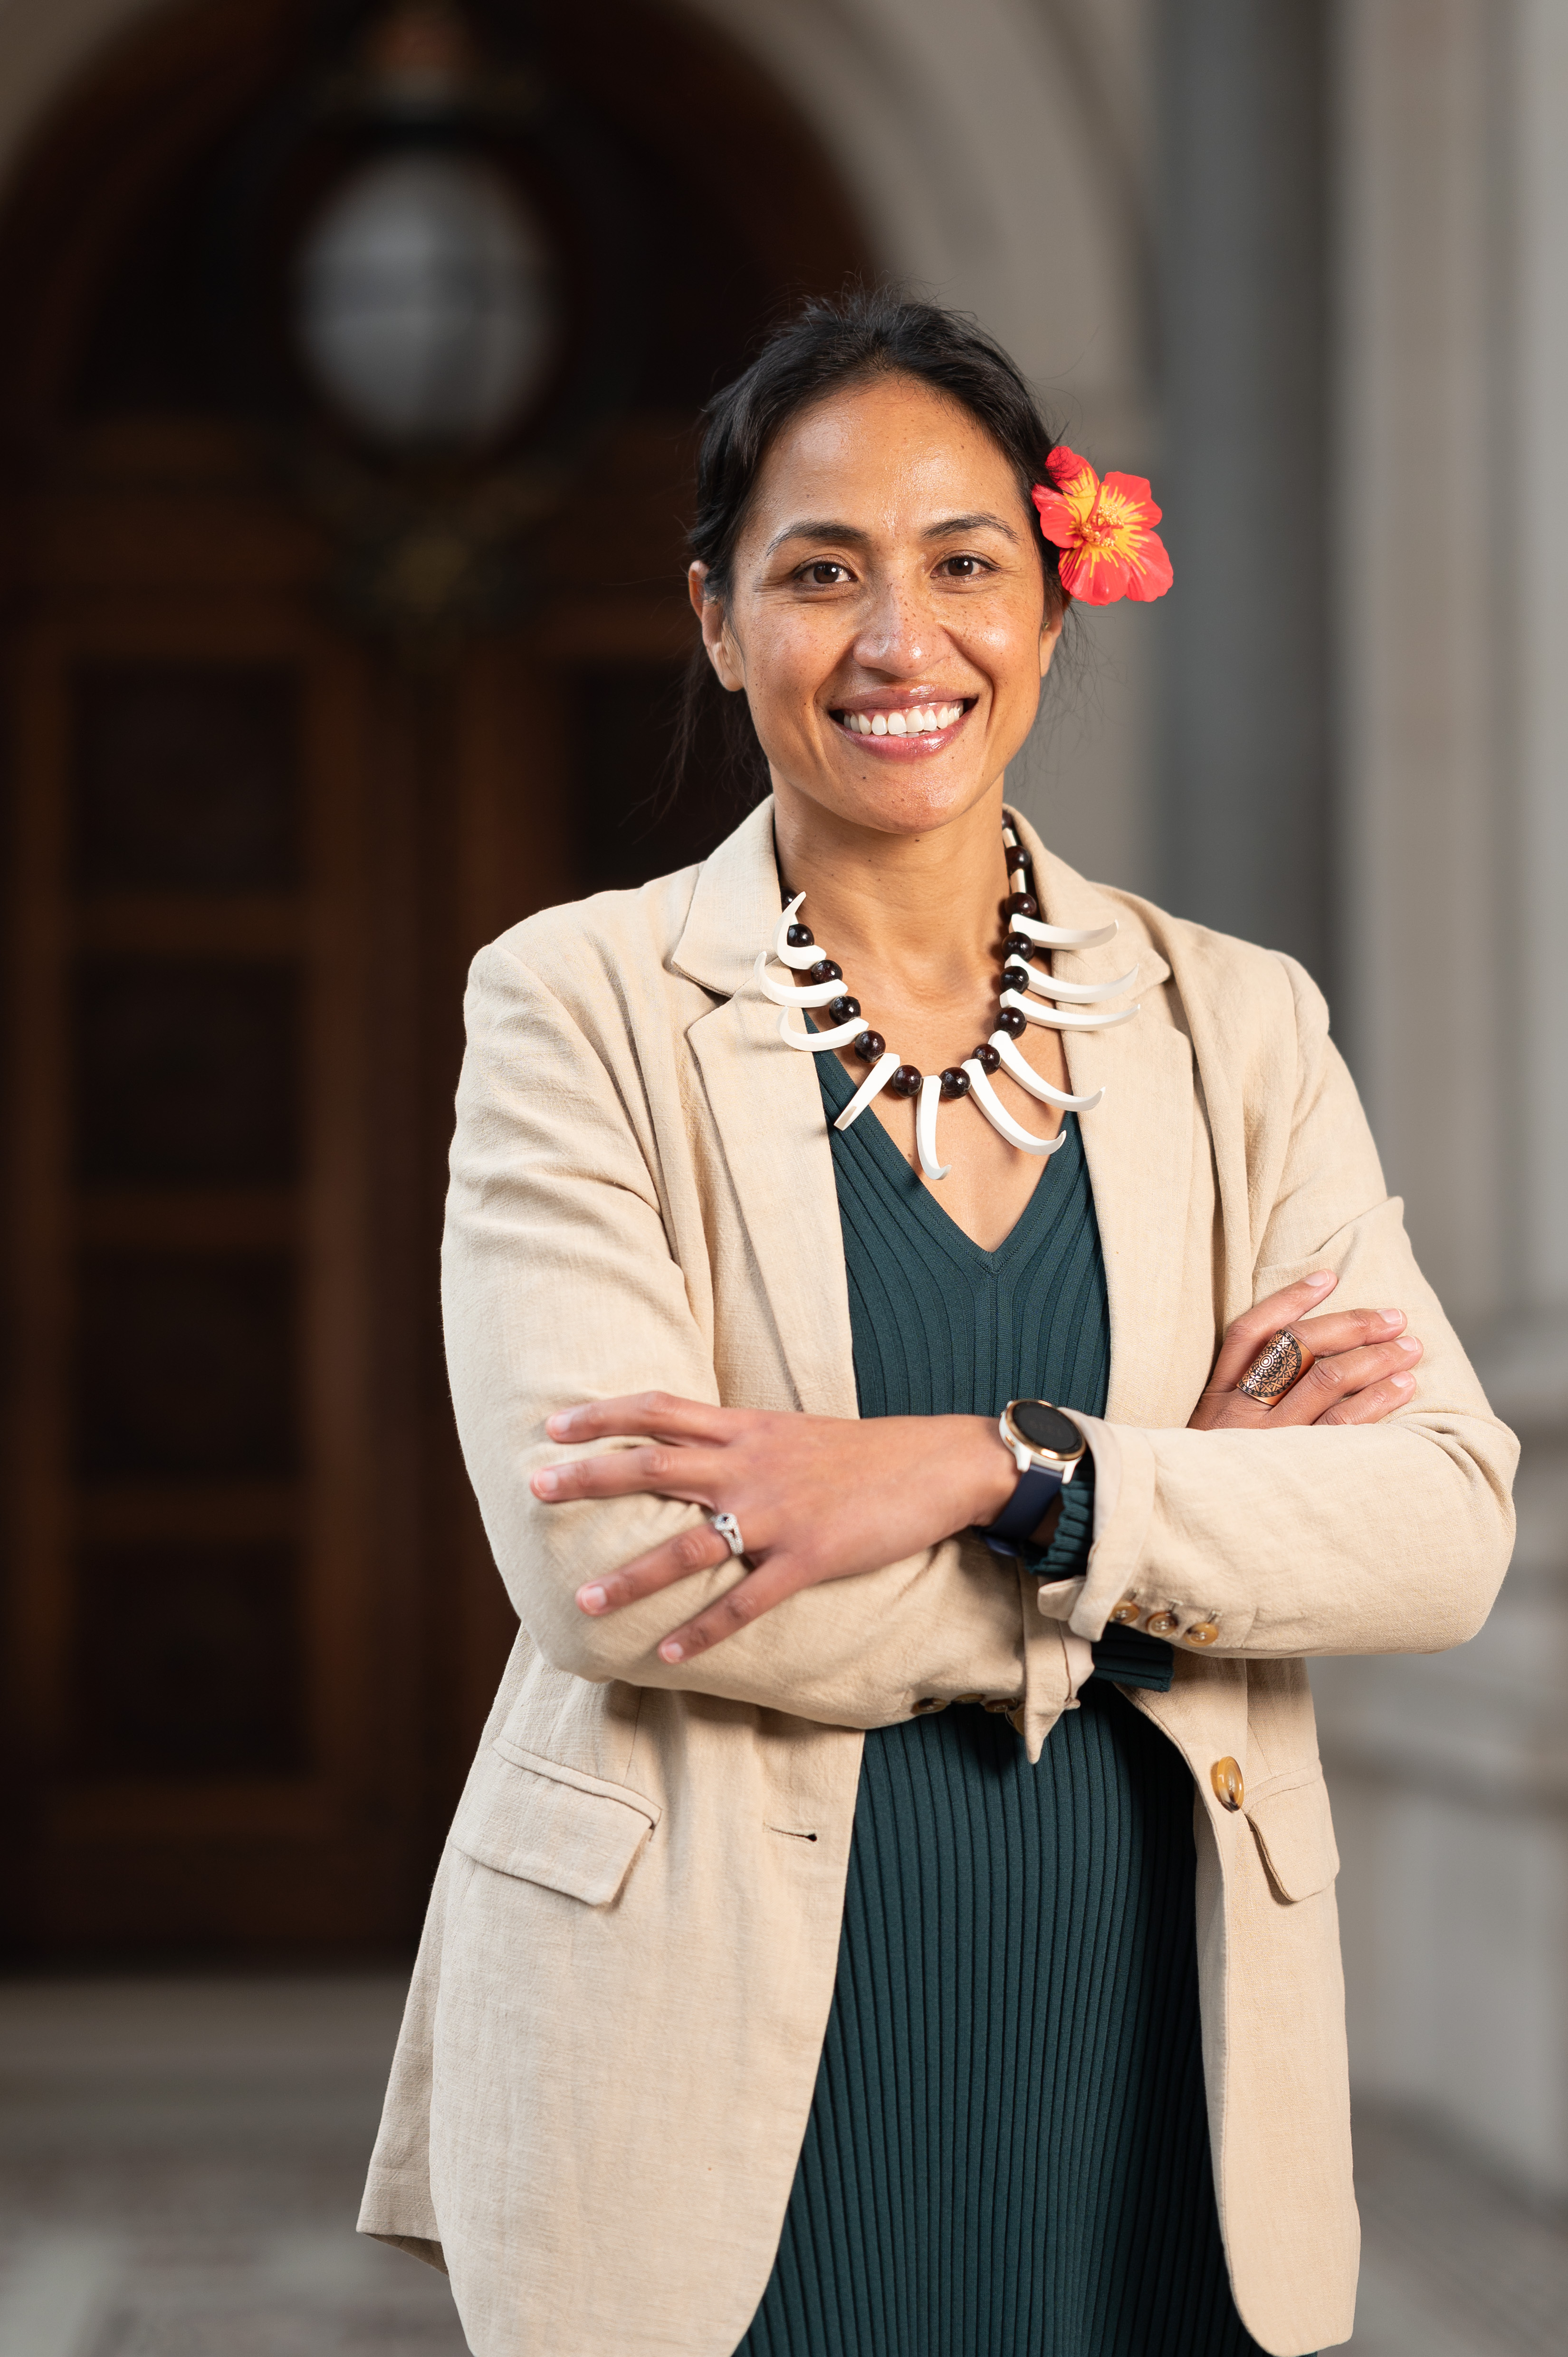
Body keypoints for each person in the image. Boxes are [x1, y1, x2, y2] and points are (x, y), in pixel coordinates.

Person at [358, 291, 1517, 2357]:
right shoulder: (577, 1008)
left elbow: (1436, 1522)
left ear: (1055, 608)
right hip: (699, 2085)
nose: (904, 643)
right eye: (822, 572)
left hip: (1161, 2072)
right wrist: (1160, 1543)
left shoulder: (1238, 1027)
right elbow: (622, 1576)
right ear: (719, 621)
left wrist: (994, 1468)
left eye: (966, 563)